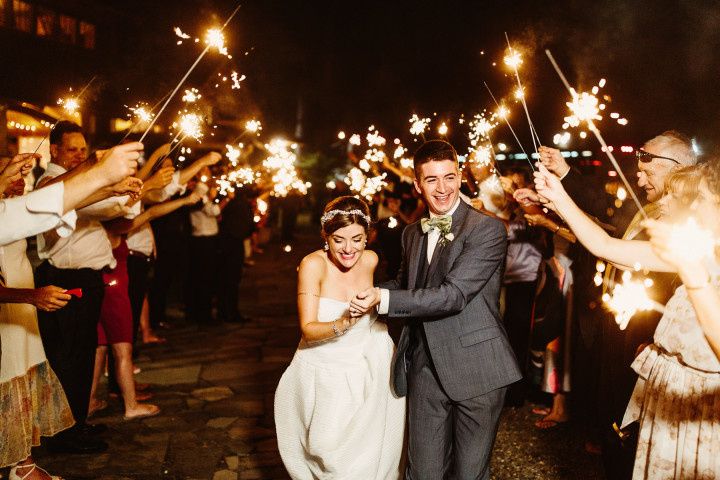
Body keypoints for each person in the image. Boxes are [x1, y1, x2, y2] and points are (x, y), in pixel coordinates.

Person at [534, 160, 720, 479]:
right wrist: (559, 198)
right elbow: (606, 247)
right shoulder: (700, 252)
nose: (694, 205)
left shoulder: (694, 262)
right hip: (666, 405)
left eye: (701, 197)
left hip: (700, 415)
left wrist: (693, 275)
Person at [351, 140, 521, 479]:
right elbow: (404, 284)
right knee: (422, 471)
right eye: (431, 180)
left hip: (478, 370)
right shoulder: (411, 233)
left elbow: (454, 295)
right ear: (417, 184)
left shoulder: (486, 229)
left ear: (460, 178)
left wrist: (382, 301)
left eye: (449, 177)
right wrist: (359, 292)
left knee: (469, 474)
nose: (442, 189)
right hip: (424, 367)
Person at [274, 196, 405, 479]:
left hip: (373, 363)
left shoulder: (371, 259)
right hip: (326, 367)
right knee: (326, 446)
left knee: (373, 450)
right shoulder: (312, 265)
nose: (349, 249)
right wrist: (344, 322)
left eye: (357, 239)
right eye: (338, 240)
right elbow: (308, 328)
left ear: (369, 235)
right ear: (325, 236)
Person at [35, 122, 135, 454]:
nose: (80, 155)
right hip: (67, 279)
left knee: (82, 354)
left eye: (83, 149)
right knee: (67, 357)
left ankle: (77, 423)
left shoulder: (77, 181)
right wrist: (110, 189)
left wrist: (125, 194)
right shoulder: (49, 182)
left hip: (89, 279)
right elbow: (89, 204)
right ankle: (64, 432)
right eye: (73, 149)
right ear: (54, 150)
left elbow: (107, 210)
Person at [0, 179, 74, 480]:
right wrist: (32, 296)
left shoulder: (10, 213)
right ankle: (21, 466)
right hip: (8, 310)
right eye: (9, 173)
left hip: (21, 309)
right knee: (9, 380)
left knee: (24, 375)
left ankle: (22, 463)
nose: (19, 182)